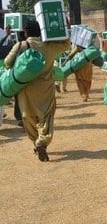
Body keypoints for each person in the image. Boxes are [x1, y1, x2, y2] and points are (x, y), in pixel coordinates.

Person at [3, 19, 71, 162]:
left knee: (28, 117)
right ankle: (42, 141)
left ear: (26, 32)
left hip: (25, 89)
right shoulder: (49, 46)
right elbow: (66, 45)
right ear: (41, 31)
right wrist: (65, 27)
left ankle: (36, 141)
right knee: (46, 117)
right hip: (45, 88)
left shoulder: (21, 45)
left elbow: (7, 63)